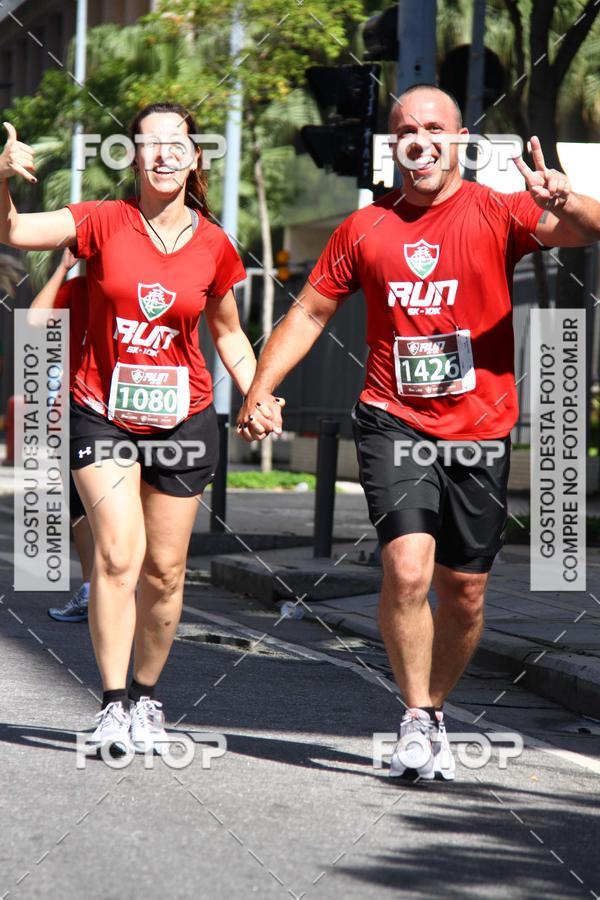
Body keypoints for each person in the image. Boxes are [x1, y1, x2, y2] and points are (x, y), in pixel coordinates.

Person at [238, 84, 600, 780]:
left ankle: (433, 708)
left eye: (436, 128)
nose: (421, 140)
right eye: (406, 129)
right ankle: (414, 715)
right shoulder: (363, 228)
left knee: (464, 596)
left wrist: (565, 200)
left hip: (480, 430)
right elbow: (310, 313)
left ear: (460, 141)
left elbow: (588, 228)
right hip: (392, 418)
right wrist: (260, 385)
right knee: (407, 569)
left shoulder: (500, 212)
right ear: (393, 145)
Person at [0, 102, 254, 756]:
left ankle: (145, 695)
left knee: (165, 573)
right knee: (118, 554)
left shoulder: (214, 245)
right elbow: (14, 230)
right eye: (150, 143)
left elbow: (229, 334)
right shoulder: (101, 221)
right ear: (133, 158)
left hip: (185, 419)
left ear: (196, 157)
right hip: (102, 412)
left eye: (178, 143)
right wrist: (0, 176)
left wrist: (260, 392)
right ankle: (113, 704)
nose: (165, 153)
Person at [29, 248, 95, 623]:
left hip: (126, 409)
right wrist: (63, 269)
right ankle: (91, 590)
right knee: (78, 505)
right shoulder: (78, 288)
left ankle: (114, 591)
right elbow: (35, 322)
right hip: (76, 404)